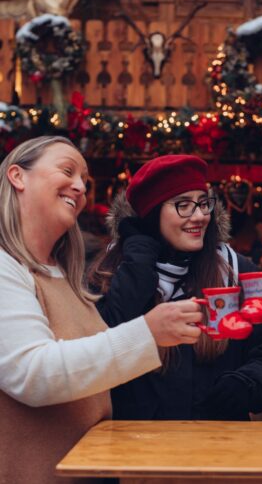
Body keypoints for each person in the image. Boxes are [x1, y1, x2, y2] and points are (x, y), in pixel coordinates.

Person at [0, 136, 204, 484]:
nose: (79, 186)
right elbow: (31, 373)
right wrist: (147, 333)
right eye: (67, 171)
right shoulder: (6, 268)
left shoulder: (62, 274)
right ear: (18, 177)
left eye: (84, 179)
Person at [88, 154, 262, 421]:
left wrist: (249, 381)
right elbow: (98, 351)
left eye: (203, 203)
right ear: (153, 215)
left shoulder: (235, 269)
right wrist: (139, 261)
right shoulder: (109, 272)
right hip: (133, 447)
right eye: (183, 205)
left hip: (220, 445)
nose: (199, 216)